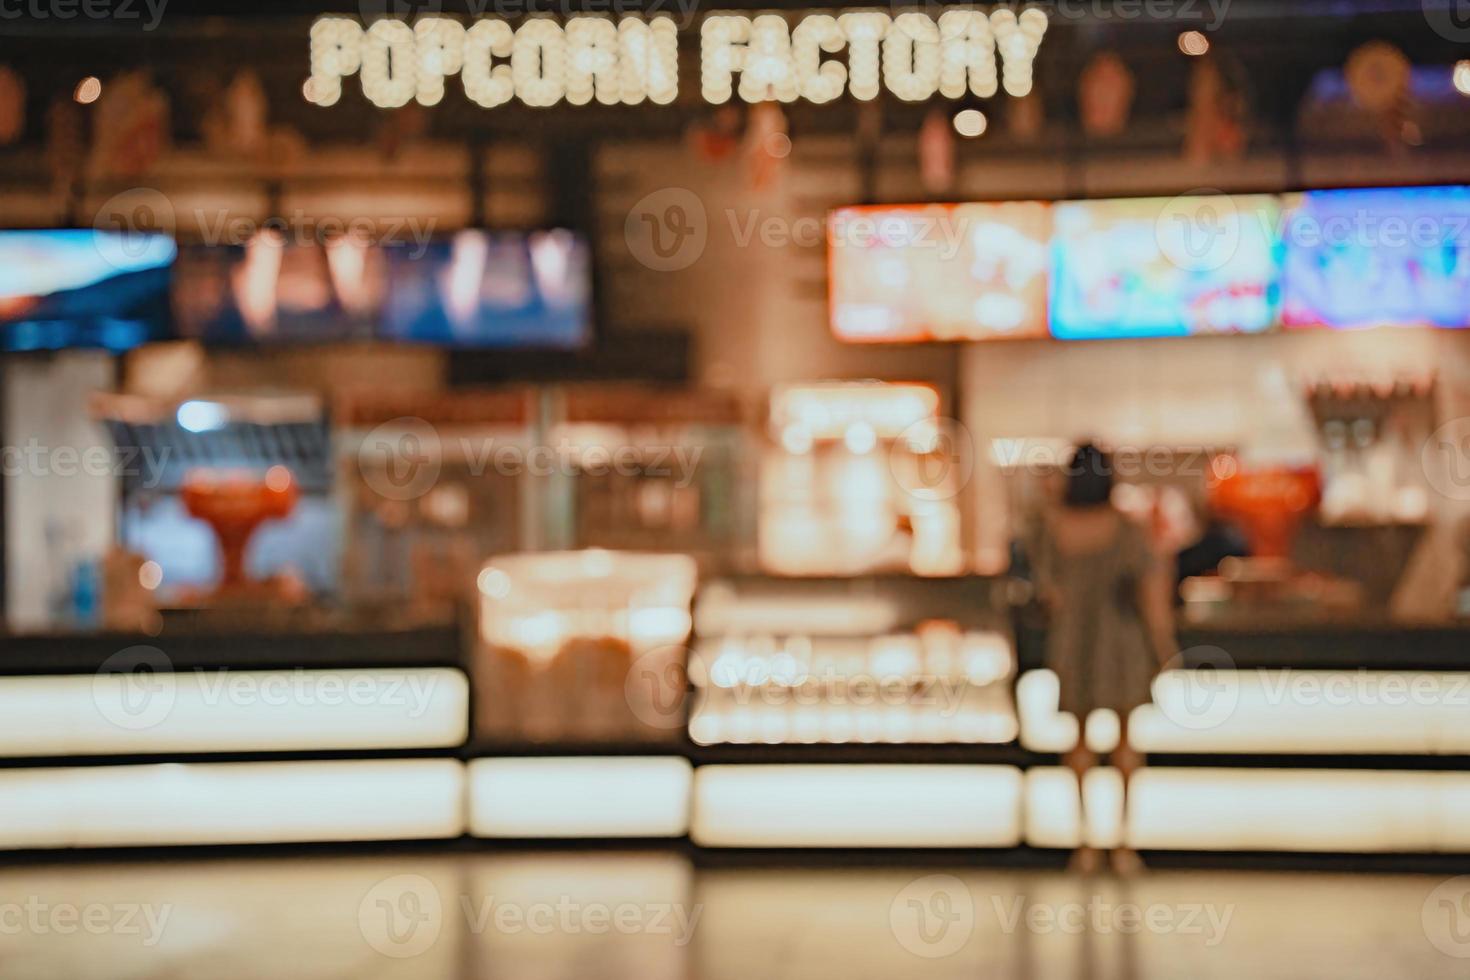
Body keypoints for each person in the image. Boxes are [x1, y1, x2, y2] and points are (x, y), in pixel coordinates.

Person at [1034, 443, 1178, 875]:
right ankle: (1123, 842)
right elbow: (1150, 595)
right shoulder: (1127, 529)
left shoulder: (1052, 527)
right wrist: (1164, 646)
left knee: (1077, 739)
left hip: (1073, 639)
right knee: (1125, 739)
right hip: (1121, 641)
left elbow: (1047, 592)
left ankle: (1083, 842)